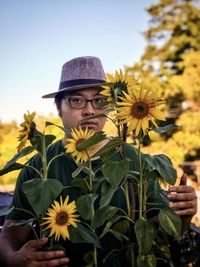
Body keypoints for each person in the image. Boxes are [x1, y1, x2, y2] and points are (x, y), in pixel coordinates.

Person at [0, 56, 197, 267]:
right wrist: (14, 258)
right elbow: (11, 234)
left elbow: (163, 232)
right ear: (58, 107)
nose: (90, 110)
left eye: (99, 100)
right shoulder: (39, 167)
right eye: (77, 100)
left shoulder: (133, 158)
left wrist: (183, 214)